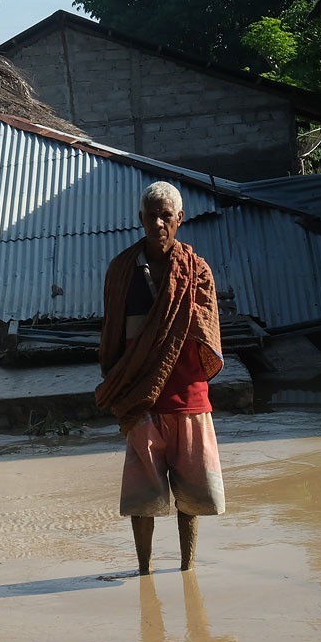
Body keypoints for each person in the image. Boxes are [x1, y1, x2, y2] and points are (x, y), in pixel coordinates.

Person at [96, 181, 225, 574]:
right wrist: (120, 382)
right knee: (142, 498)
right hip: (141, 400)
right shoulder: (121, 271)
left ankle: (187, 570)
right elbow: (112, 334)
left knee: (191, 497)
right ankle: (144, 573)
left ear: (180, 219)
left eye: (165, 215)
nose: (157, 222)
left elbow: (208, 330)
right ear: (140, 219)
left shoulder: (196, 270)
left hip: (188, 397)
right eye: (151, 215)